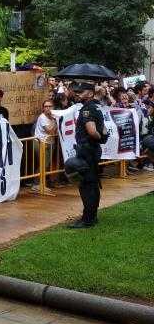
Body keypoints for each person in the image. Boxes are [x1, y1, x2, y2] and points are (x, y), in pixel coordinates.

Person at [69, 82, 106, 229]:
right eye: (77, 91)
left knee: (87, 184)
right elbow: (102, 129)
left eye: (81, 91)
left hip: (87, 150)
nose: (78, 94)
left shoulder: (87, 109)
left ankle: (88, 219)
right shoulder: (95, 106)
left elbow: (92, 131)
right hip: (92, 150)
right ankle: (91, 216)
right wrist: (101, 137)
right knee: (92, 183)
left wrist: (98, 137)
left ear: (90, 93)